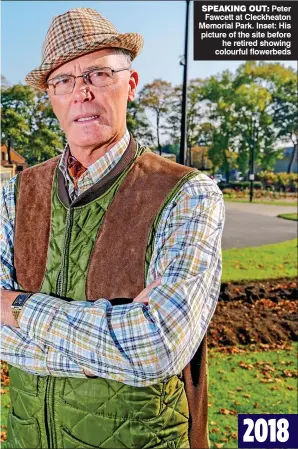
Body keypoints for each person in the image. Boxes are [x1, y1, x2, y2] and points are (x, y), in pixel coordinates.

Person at [0, 7, 225, 449]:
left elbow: (157, 346)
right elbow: (136, 349)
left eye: (99, 74)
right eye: (63, 80)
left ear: (131, 84)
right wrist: (112, 341)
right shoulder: (16, 193)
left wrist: (17, 309)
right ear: (51, 96)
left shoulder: (186, 193)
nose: (80, 92)